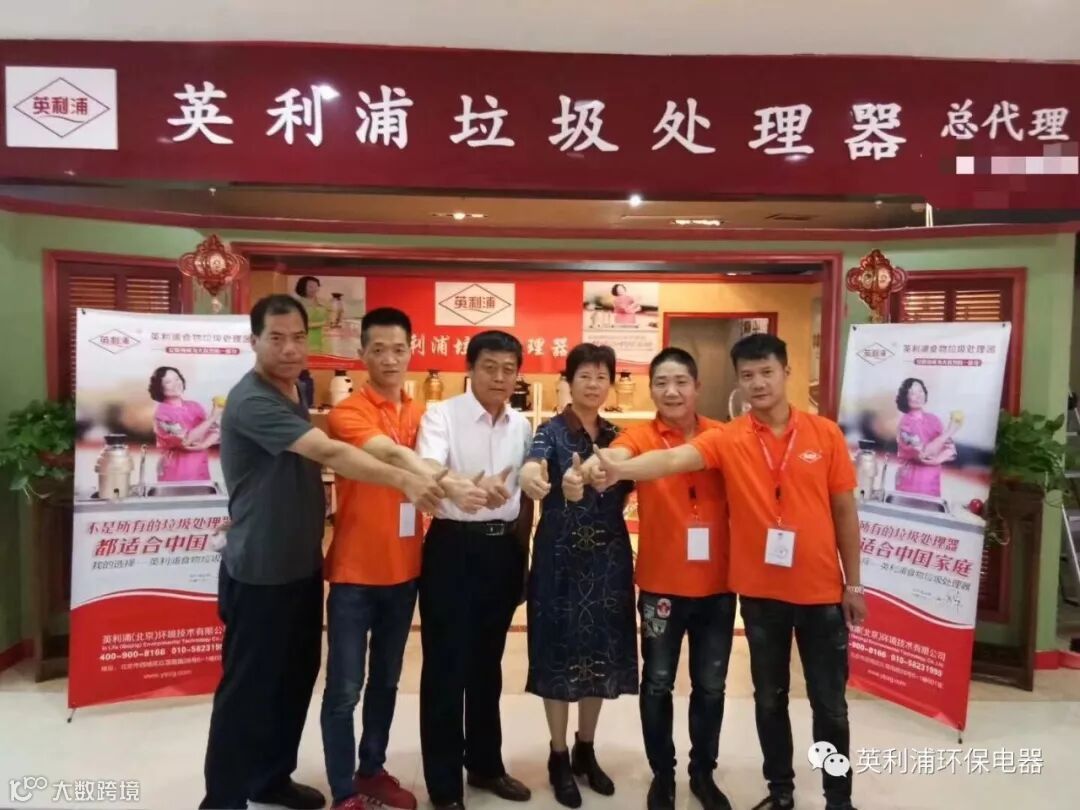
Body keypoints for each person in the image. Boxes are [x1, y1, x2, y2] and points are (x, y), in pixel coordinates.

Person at [594, 333, 866, 810]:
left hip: (820, 591)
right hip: (759, 595)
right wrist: (617, 469)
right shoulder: (729, 437)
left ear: (786, 373)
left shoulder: (824, 434)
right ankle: (780, 791)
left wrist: (854, 582)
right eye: (748, 375)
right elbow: (672, 459)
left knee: (831, 706)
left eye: (767, 372)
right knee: (768, 700)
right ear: (737, 381)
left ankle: (838, 798)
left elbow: (845, 511)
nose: (758, 383)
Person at [200, 295, 448, 810]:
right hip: (260, 570)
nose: (290, 349)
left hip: (301, 564)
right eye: (276, 339)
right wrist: (407, 479)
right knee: (248, 687)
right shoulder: (253, 400)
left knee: (294, 679)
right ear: (254, 341)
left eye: (298, 338)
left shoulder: (291, 390)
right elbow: (331, 451)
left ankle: (271, 778)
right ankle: (222, 800)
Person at [320, 308, 489, 810]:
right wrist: (444, 481)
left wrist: (475, 486)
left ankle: (371, 769)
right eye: (378, 350)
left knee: (387, 682)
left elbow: (447, 460)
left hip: (406, 571)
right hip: (354, 572)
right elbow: (392, 456)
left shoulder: (424, 414)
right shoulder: (347, 412)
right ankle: (344, 791)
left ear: (411, 352)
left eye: (398, 349)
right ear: (362, 354)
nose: (389, 359)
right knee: (344, 689)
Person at [576, 347, 735, 810]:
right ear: (651, 390)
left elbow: (660, 464)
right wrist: (596, 467)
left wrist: (616, 470)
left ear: (697, 387)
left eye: (681, 381)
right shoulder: (640, 435)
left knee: (711, 685)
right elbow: (615, 453)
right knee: (658, 682)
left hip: (718, 586)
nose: (672, 391)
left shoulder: (723, 436)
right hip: (661, 586)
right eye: (662, 383)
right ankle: (662, 774)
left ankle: (703, 773)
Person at [416, 330, 535, 810]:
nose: (499, 377)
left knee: (488, 664)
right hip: (453, 547)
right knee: (446, 667)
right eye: (490, 367)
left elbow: (526, 489)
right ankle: (444, 787)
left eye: (509, 369)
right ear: (469, 368)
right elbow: (427, 467)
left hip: (501, 550)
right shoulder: (442, 415)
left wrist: (522, 555)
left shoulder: (522, 425)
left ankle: (486, 766)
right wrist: (462, 485)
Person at [518, 343, 637, 809]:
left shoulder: (618, 435)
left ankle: (586, 748)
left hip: (608, 560)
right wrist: (535, 478)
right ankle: (558, 754)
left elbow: (635, 476)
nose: (593, 384)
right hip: (560, 560)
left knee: (599, 654)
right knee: (558, 655)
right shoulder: (549, 432)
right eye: (584, 375)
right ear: (568, 381)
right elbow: (533, 464)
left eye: (601, 376)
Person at [149, 366, 220, 482]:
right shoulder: (162, 414)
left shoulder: (195, 406)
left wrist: (203, 445)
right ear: (159, 388)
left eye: (177, 379)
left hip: (200, 469)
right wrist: (212, 418)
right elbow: (186, 440)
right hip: (176, 471)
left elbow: (216, 430)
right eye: (168, 382)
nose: (176, 384)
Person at [894, 377, 959, 498]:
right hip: (910, 483)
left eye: (920, 391)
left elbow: (950, 450)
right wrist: (949, 432)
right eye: (912, 393)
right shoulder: (905, 425)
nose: (918, 396)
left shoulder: (934, 419)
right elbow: (923, 453)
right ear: (905, 397)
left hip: (932, 483)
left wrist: (937, 460)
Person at [295, 275, 329, 352]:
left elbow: (330, 320)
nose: (314, 289)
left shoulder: (324, 302)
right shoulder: (296, 304)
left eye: (316, 286)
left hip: (324, 339)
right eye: (310, 287)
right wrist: (322, 323)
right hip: (304, 338)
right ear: (302, 287)